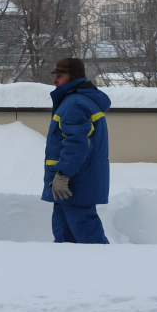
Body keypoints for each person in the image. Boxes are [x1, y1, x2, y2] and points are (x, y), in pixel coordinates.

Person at [42, 58, 111, 244]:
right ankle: (68, 271)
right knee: (65, 238)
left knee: (88, 237)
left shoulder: (75, 103)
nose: (55, 80)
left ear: (73, 78)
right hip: (68, 185)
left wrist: (63, 175)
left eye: (60, 76)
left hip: (74, 183)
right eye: (55, 76)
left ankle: (105, 270)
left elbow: (77, 143)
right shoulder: (76, 100)